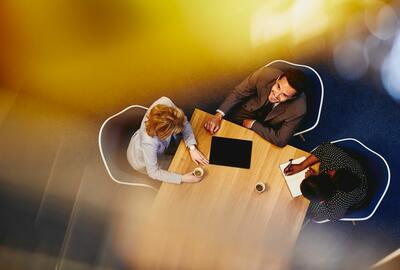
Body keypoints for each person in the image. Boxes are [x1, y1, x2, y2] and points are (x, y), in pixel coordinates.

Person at [204, 66, 307, 147]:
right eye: (278, 86)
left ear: (293, 98)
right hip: (247, 110)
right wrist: (218, 116)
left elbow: (280, 140)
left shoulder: (299, 109)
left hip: (267, 127)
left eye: (284, 95)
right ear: (278, 78)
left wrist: (254, 125)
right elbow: (238, 93)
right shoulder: (264, 74)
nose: (276, 95)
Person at [127, 96, 209, 184]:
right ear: (164, 133)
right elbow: (154, 172)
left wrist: (192, 148)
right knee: (179, 168)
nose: (182, 129)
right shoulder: (149, 142)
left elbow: (184, 123)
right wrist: (182, 178)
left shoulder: (165, 102)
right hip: (142, 160)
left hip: (151, 143)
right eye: (174, 131)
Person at [284, 142, 368, 221]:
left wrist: (320, 203)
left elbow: (335, 217)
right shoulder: (333, 159)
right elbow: (324, 147)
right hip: (359, 172)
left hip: (360, 195)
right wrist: (302, 165)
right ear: (327, 173)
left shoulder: (335, 204)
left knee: (308, 214)